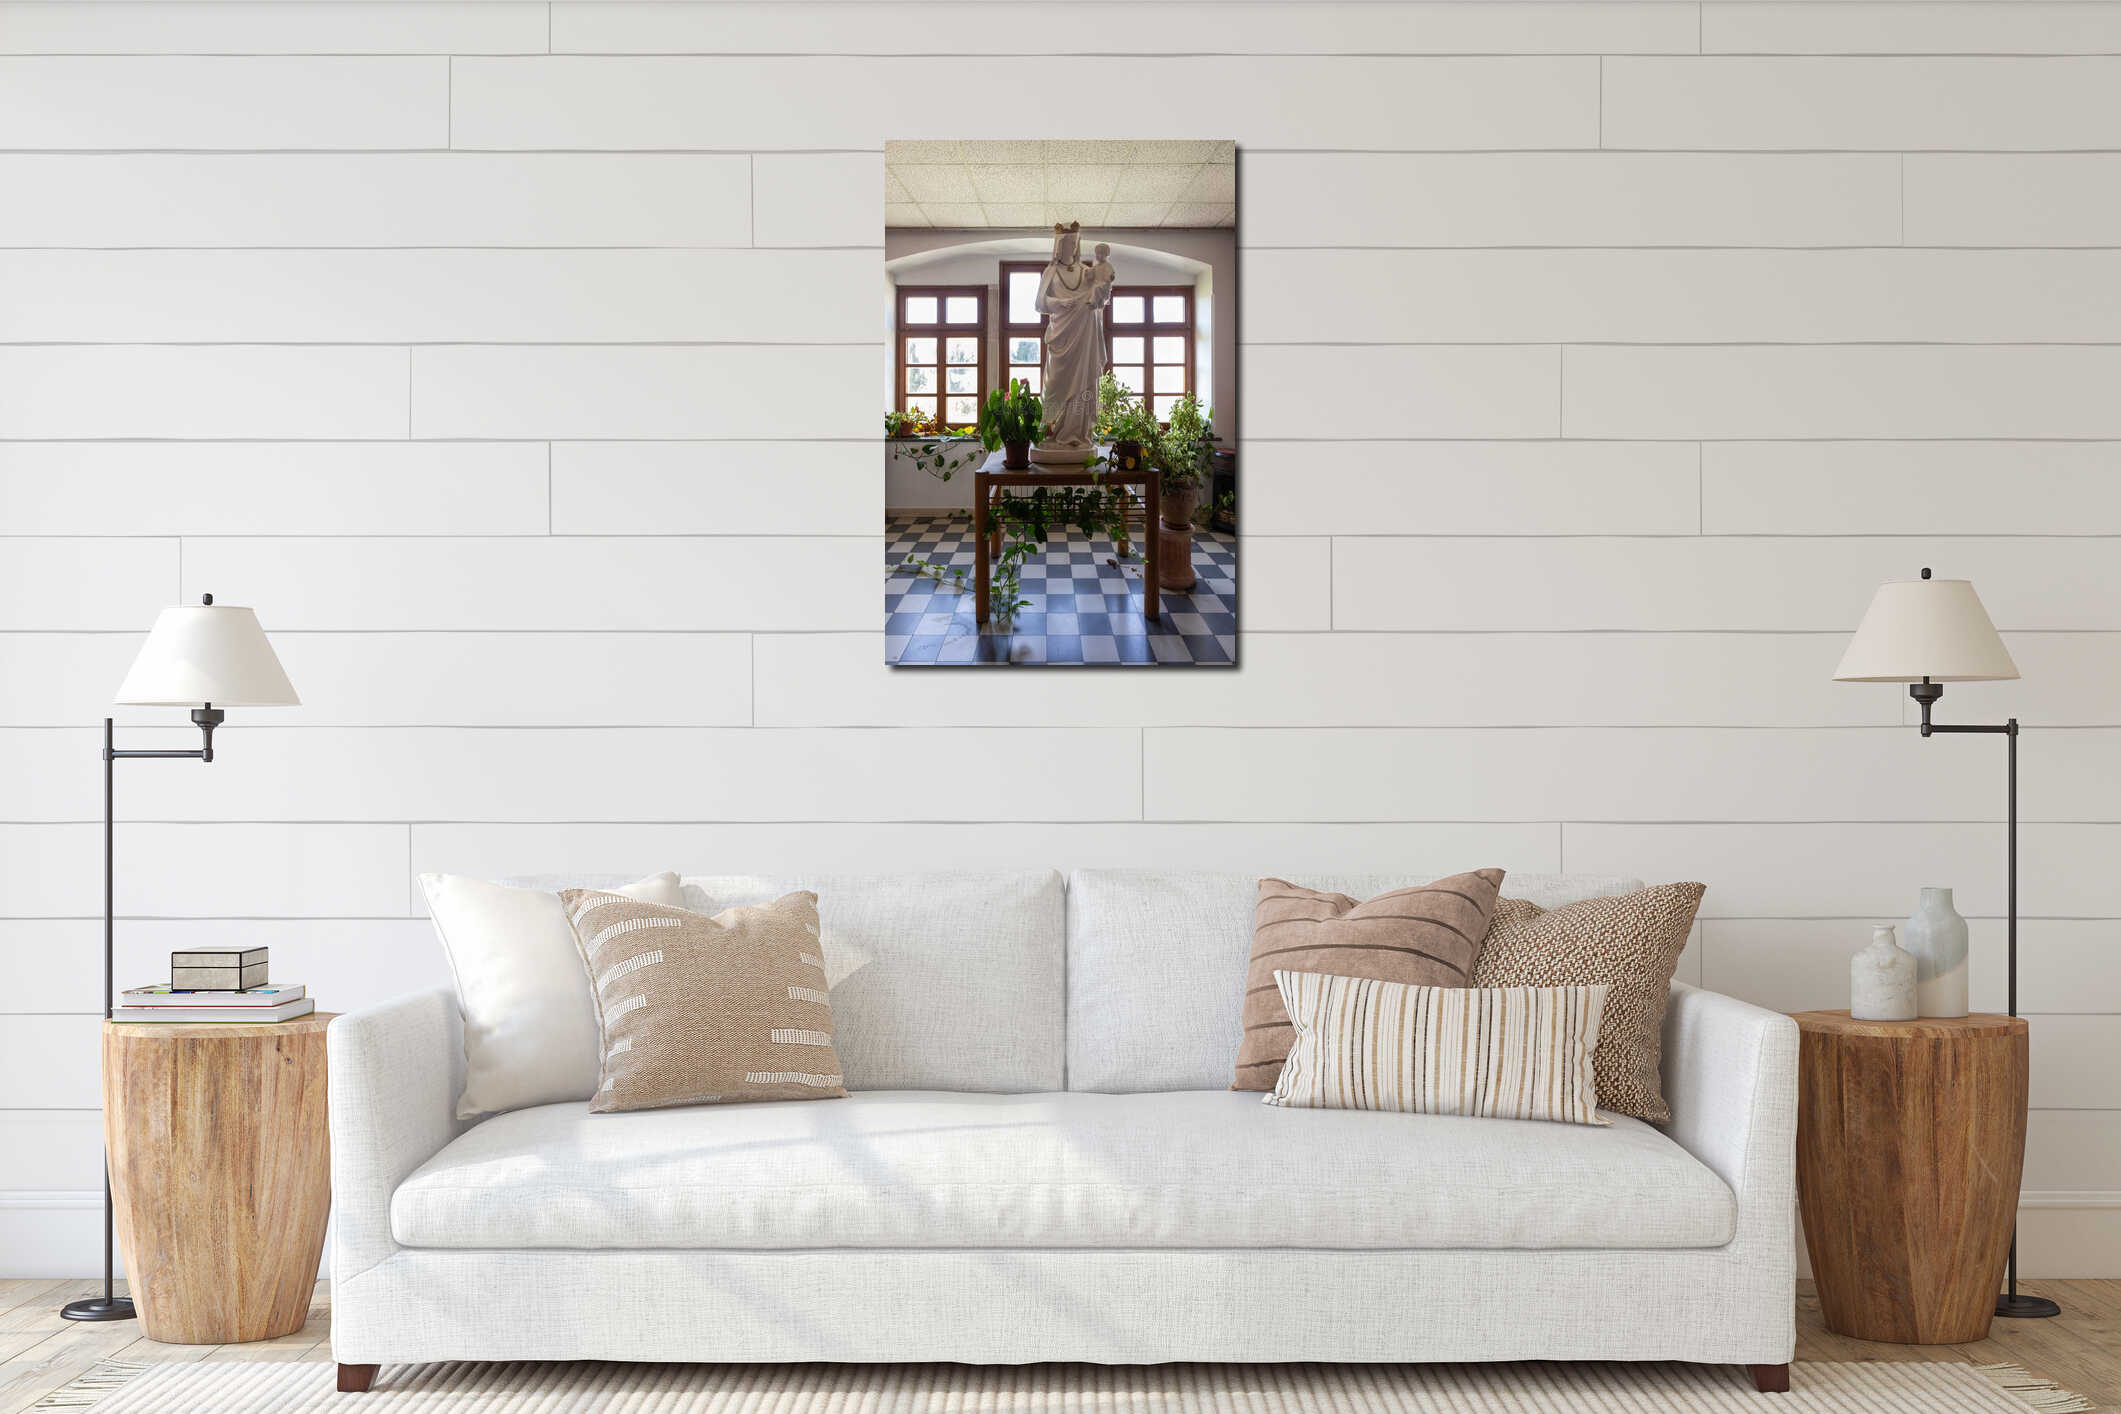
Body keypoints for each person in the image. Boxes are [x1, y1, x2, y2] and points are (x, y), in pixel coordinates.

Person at [1031, 223, 1114, 462]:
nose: (1071, 247)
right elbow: (1040, 303)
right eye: (1067, 243)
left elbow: (1099, 299)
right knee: (1055, 382)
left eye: (1074, 243)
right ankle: (1052, 431)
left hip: (1084, 333)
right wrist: (1059, 303)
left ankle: (1077, 433)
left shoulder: (1086, 271)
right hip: (1061, 335)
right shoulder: (1050, 272)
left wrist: (1105, 285)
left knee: (1083, 383)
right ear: (1059, 246)